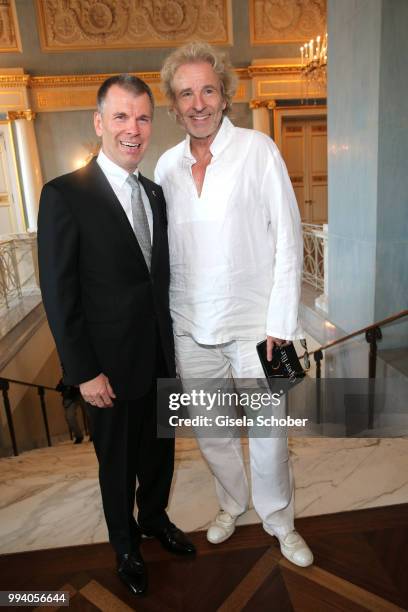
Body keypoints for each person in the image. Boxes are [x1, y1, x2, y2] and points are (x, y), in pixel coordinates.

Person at [155, 43, 313, 568]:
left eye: (207, 89)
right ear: (173, 106)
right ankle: (231, 503)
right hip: (190, 329)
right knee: (212, 432)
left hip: (259, 331)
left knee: (271, 435)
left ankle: (280, 520)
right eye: (185, 93)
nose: (197, 102)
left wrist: (282, 326)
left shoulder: (258, 149)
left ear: (224, 97)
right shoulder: (165, 167)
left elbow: (288, 240)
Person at [37, 74, 195, 598]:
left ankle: (154, 519)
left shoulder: (154, 193)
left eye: (143, 117)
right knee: (118, 466)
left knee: (160, 454)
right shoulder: (64, 194)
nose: (134, 128)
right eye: (122, 117)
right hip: (106, 368)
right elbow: (60, 295)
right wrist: (82, 372)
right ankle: (125, 545)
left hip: (160, 357)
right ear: (99, 122)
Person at [56, 379, 87, 444]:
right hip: (70, 397)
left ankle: (94, 434)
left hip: (83, 394)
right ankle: (78, 436)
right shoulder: (65, 377)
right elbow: (58, 388)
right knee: (70, 416)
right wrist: (66, 385)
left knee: (90, 414)